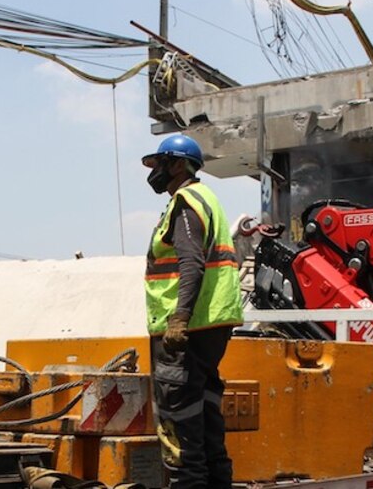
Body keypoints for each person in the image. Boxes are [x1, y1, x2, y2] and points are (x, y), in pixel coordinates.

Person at [143, 134, 243, 489]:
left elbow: (192, 263)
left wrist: (179, 319)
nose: (154, 172)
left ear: (178, 165)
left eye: (159, 164)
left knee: (181, 433)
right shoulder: (207, 199)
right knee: (205, 424)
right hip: (211, 327)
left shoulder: (186, 202)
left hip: (188, 331)